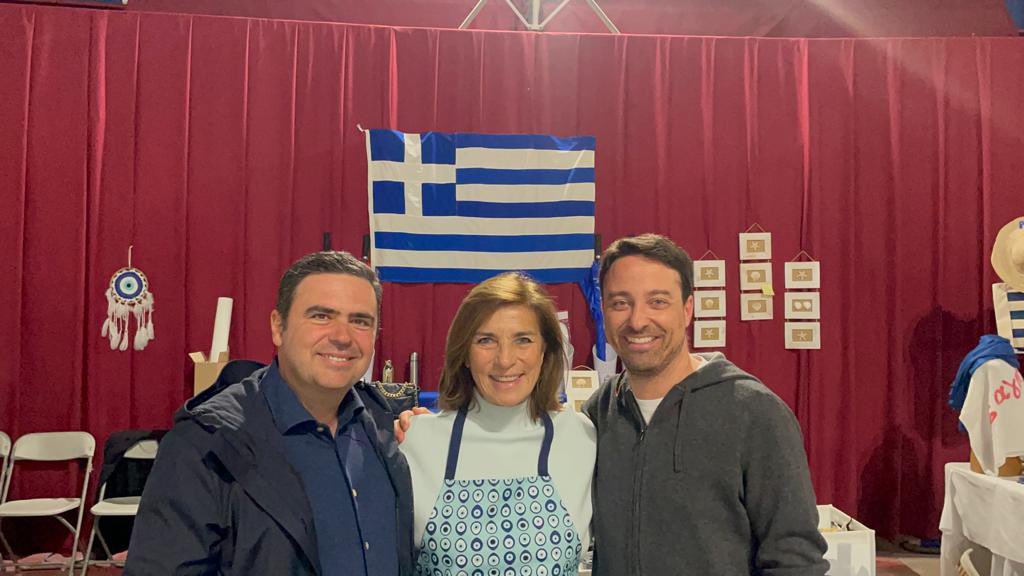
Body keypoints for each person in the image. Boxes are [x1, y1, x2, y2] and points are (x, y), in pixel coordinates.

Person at [126, 251, 414, 575]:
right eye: (321, 316)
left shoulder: (380, 426)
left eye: (360, 321)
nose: (342, 337)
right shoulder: (204, 443)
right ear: (278, 327)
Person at [584, 233, 828, 575]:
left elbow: (795, 557)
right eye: (620, 302)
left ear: (687, 310)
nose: (637, 320)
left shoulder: (754, 412)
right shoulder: (597, 413)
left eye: (657, 301)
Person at [398, 272, 596, 575]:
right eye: (486, 340)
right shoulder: (417, 442)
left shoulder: (583, 439)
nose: (505, 360)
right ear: (464, 352)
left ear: (545, 351)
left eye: (523, 340)